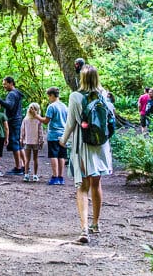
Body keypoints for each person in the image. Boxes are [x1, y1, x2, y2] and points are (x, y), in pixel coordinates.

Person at [60, 64, 114, 244]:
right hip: (100, 145)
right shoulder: (104, 95)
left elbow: (71, 123)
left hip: (82, 144)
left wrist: (63, 140)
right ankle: (96, 224)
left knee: (82, 187)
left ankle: (84, 229)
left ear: (81, 79)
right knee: (96, 184)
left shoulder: (75, 96)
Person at [36, 86, 68, 185]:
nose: (48, 99)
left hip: (53, 134)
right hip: (63, 134)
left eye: (49, 96)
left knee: (53, 155)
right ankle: (61, 177)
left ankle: (54, 176)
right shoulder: (64, 106)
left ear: (52, 95)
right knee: (61, 155)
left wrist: (36, 116)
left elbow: (46, 121)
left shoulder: (52, 106)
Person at [0, 76, 25, 175]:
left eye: (5, 84)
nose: (4, 86)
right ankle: (24, 166)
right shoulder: (17, 93)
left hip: (13, 121)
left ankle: (18, 167)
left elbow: (9, 106)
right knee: (18, 144)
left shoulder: (12, 94)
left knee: (14, 144)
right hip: (17, 120)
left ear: (11, 83)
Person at [20, 103, 44, 182]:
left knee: (31, 159)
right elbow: (23, 130)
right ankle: (30, 175)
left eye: (33, 108)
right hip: (31, 142)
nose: (31, 109)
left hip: (31, 142)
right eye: (30, 108)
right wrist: (41, 140)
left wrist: (21, 139)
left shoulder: (29, 119)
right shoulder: (32, 119)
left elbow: (40, 131)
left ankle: (31, 175)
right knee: (31, 159)